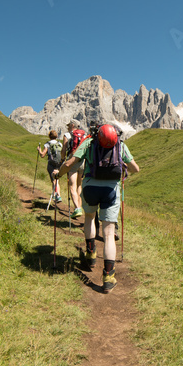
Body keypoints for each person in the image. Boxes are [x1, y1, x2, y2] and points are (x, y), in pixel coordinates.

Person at [55, 123, 139, 293]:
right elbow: (135, 169)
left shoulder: (89, 142)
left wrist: (59, 174)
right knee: (108, 233)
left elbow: (71, 161)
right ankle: (108, 277)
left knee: (89, 218)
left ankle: (91, 254)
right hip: (111, 191)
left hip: (90, 187)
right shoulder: (120, 145)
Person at [61, 120, 88, 218]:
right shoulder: (85, 135)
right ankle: (79, 207)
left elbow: (64, 150)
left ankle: (77, 208)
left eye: (69, 125)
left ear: (73, 125)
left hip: (72, 162)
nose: (67, 127)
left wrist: (63, 159)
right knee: (79, 185)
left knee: (72, 185)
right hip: (82, 162)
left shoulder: (67, 135)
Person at [37, 130, 63, 205]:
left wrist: (39, 150)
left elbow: (42, 155)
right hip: (59, 164)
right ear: (56, 136)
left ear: (49, 136)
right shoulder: (60, 144)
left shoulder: (47, 144)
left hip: (51, 164)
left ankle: (58, 195)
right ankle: (55, 195)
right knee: (56, 180)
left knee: (54, 180)